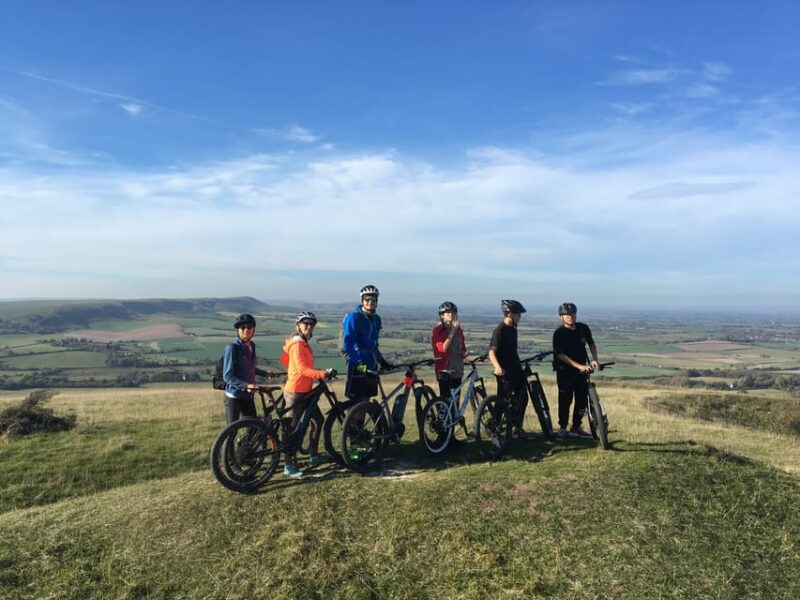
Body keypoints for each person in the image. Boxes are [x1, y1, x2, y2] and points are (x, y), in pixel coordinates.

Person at [279, 311, 337, 478]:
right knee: (293, 429)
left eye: (311, 324)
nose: (309, 327)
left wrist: (293, 371)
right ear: (298, 326)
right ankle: (289, 465)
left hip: (305, 390)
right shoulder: (297, 345)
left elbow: (285, 361)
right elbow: (302, 369)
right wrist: (322, 373)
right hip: (296, 392)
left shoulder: (302, 343)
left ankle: (313, 454)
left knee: (318, 419)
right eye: (306, 323)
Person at [552, 302, 599, 440]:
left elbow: (591, 343)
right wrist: (579, 366)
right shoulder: (559, 333)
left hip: (581, 371)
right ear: (561, 317)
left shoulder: (583, 328)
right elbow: (560, 355)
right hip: (564, 372)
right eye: (566, 315)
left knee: (582, 400)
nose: (570, 317)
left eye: (572, 314)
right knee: (565, 401)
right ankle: (562, 429)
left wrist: (595, 359)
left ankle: (576, 427)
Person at [341, 285, 392, 403]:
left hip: (372, 366)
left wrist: (381, 361)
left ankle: (361, 422)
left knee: (366, 400)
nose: (370, 302)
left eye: (373, 300)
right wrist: (359, 364)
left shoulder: (376, 319)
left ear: (377, 302)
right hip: (358, 365)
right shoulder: (354, 317)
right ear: (362, 301)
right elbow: (347, 344)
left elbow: (374, 345)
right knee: (355, 402)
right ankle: (351, 422)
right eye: (367, 300)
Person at [487, 299, 529, 439]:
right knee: (502, 402)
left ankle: (517, 427)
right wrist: (497, 367)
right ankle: (494, 428)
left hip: (515, 370)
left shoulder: (513, 329)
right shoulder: (500, 330)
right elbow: (492, 351)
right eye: (518, 314)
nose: (520, 317)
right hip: (505, 372)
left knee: (522, 399)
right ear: (510, 314)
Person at [222, 313, 269, 425]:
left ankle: (244, 443)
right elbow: (227, 376)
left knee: (253, 428)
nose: (246, 330)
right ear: (237, 330)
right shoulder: (232, 348)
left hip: (247, 396)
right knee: (231, 431)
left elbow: (249, 367)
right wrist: (246, 385)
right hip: (234, 396)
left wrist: (265, 373)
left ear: (253, 330)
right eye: (242, 327)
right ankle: (228, 443)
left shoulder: (251, 346)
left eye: (249, 327)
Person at [431, 300, 469, 400]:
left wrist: (464, 353)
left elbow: (462, 346)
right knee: (445, 402)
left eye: (453, 312)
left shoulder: (458, 330)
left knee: (455, 402)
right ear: (442, 315)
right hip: (444, 371)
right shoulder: (438, 330)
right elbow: (442, 349)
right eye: (448, 313)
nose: (451, 315)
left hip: (457, 369)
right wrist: (452, 332)